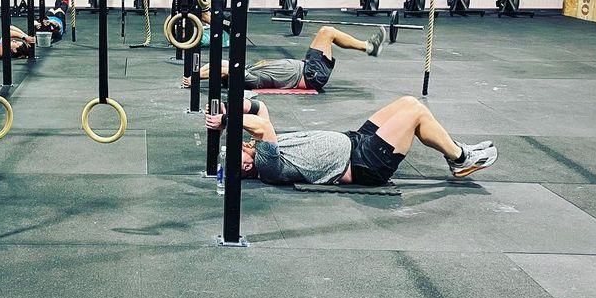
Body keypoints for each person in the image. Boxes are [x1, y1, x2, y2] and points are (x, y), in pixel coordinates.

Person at [204, 95, 497, 186]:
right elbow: (263, 128)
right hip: (363, 163)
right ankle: (460, 158)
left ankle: (454, 152)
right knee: (416, 112)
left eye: (234, 160)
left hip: (356, 141)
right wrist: (227, 122)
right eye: (238, 168)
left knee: (408, 101)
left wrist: (229, 108)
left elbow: (259, 111)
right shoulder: (266, 167)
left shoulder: (263, 152)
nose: (240, 166)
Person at [183, 25, 387, 93]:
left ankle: (368, 47)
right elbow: (221, 67)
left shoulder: (250, 70)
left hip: (307, 67)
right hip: (310, 75)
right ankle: (368, 47)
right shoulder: (249, 79)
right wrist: (195, 79)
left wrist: (196, 75)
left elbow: (217, 66)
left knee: (327, 33)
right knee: (327, 32)